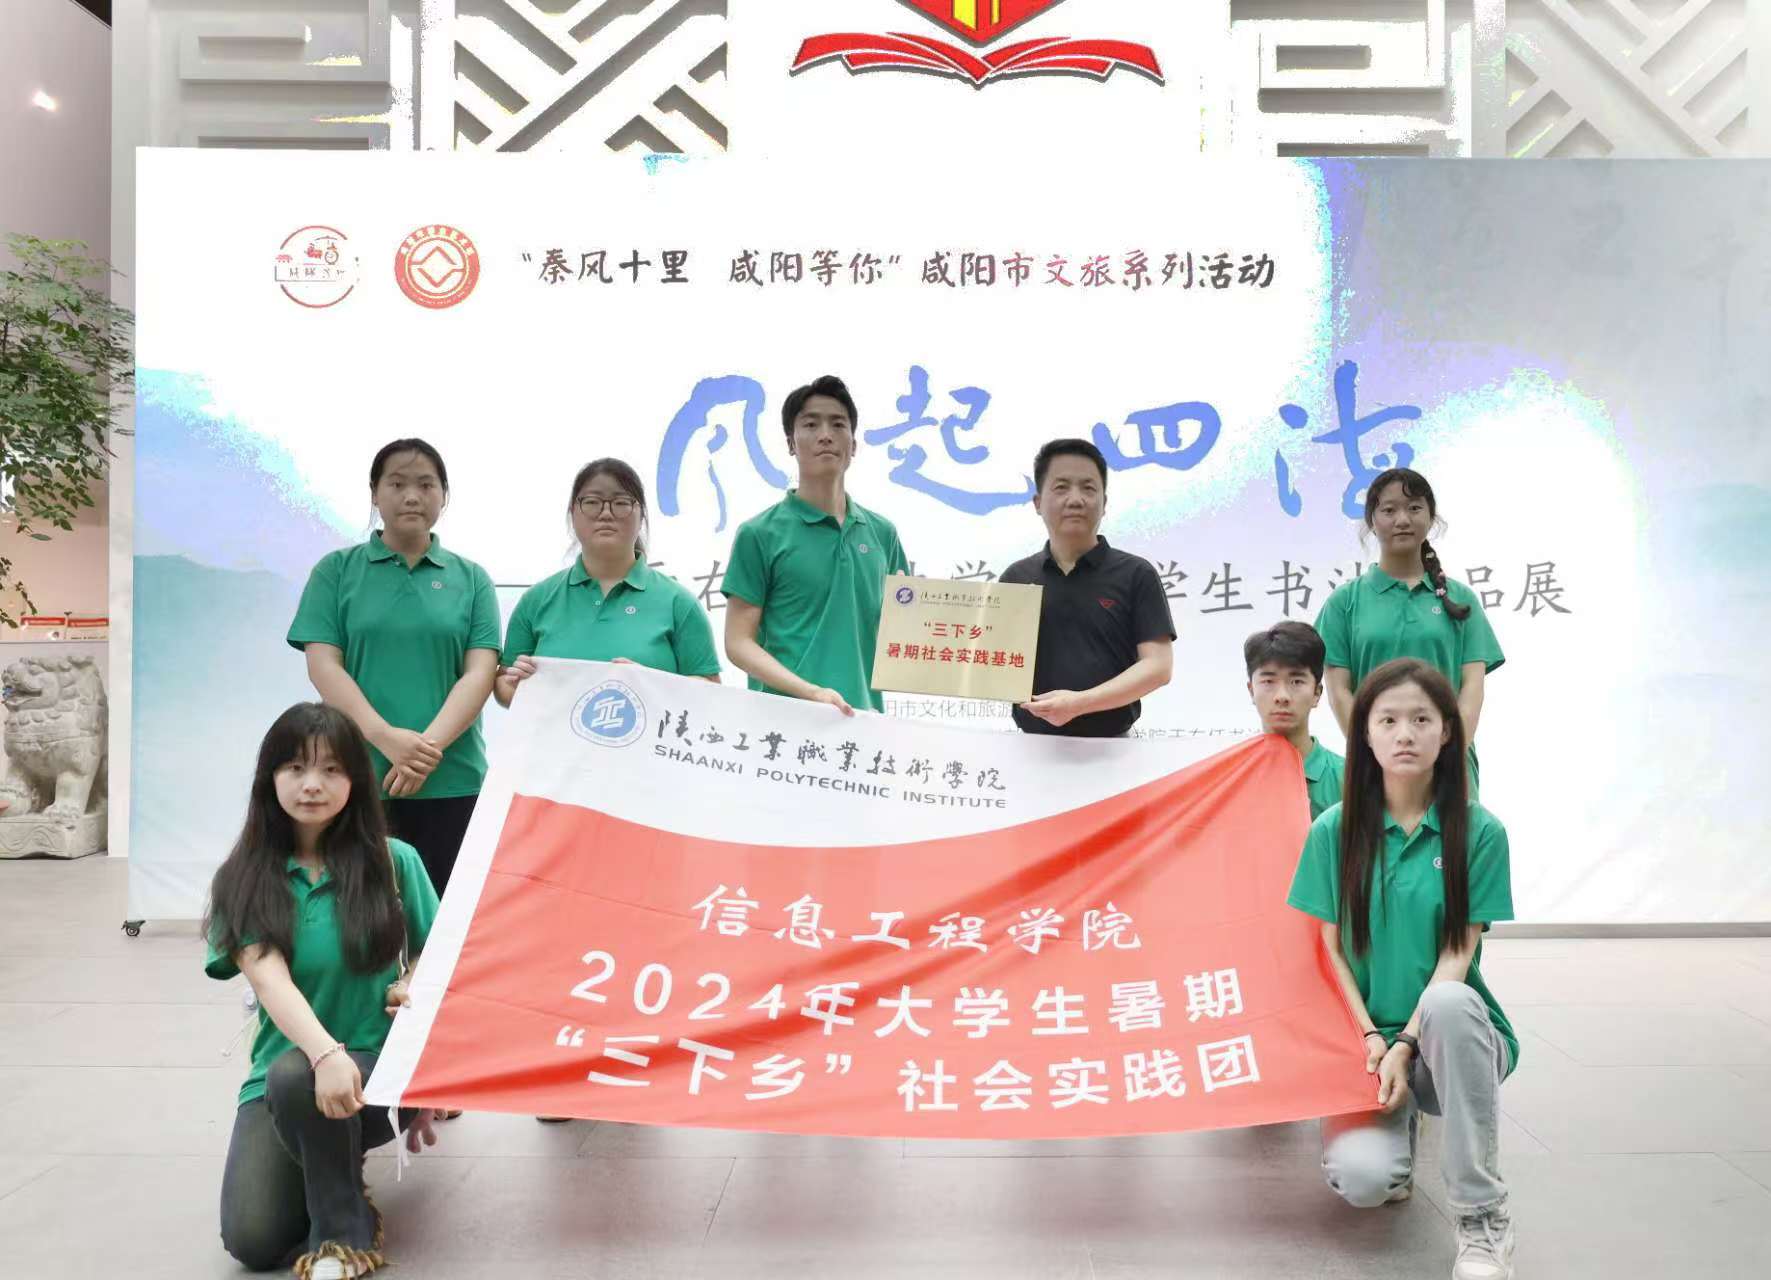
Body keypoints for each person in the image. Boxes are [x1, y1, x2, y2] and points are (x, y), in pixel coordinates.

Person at [1286, 658, 1517, 1280]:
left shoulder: (1480, 832)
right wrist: (1371, 1037)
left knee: (1447, 1003)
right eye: (1387, 720)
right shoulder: (1334, 831)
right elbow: (1329, 949)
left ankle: (1482, 1217)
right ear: (1365, 734)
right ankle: (1395, 1134)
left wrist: (1407, 1042)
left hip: (1448, 1043)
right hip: (1365, 1047)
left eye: (1421, 719)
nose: (1405, 734)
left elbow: (1458, 953)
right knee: (1364, 1182)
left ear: (1447, 732)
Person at [207, 703, 441, 1280]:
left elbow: (441, 953)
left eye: (332, 769)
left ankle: (342, 1237)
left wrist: (410, 983)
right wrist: (327, 1055)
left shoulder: (395, 862)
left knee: (299, 1075)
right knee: (252, 1239)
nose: (312, 784)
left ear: (355, 780)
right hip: (285, 1080)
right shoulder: (242, 878)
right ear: (269, 778)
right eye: (295, 767)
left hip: (382, 1073)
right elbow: (270, 979)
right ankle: (336, 1170)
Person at [288, 438, 500, 897]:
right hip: (356, 776)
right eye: (397, 484)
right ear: (374, 493)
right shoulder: (336, 572)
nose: (412, 496)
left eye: (426, 485)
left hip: (453, 780)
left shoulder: (472, 579)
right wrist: (384, 737)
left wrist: (425, 750)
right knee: (359, 914)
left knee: (445, 916)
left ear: (444, 495)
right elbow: (324, 666)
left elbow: (480, 674)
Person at [723, 374, 908, 715]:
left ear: (854, 445)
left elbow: (901, 638)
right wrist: (811, 692)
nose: (825, 435)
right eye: (810, 424)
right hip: (783, 722)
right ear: (791, 443)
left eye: (838, 424)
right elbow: (738, 642)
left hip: (864, 721)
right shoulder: (759, 533)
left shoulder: (883, 533)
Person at [1315, 467, 1503, 794]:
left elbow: (1472, 688)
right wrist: (1374, 750)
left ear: (1431, 518)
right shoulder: (1344, 602)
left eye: (1414, 508)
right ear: (1372, 521)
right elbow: (1339, 692)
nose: (1402, 519)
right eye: (1389, 510)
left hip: (1450, 769)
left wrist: (1447, 751)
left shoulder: (1461, 599)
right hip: (1373, 768)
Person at [496, 458, 721, 700]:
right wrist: (517, 684)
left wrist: (651, 684)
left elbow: (711, 688)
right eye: (591, 502)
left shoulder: (678, 602)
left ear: (642, 516)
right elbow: (504, 684)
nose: (605, 513)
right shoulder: (536, 600)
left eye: (621, 503)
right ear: (572, 513)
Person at [998, 438, 1174, 737]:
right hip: (1031, 746)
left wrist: (1079, 704)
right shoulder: (1015, 577)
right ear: (1038, 502)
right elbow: (991, 663)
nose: (1075, 499)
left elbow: (1158, 667)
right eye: (1061, 487)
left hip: (1115, 748)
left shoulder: (1136, 574)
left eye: (1088, 488)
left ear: (1104, 503)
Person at [1245, 620, 1344, 819]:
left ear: (1317, 693)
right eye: (1268, 681)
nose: (1282, 696)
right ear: (1251, 691)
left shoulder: (1351, 779)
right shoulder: (1232, 777)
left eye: (1296, 681)